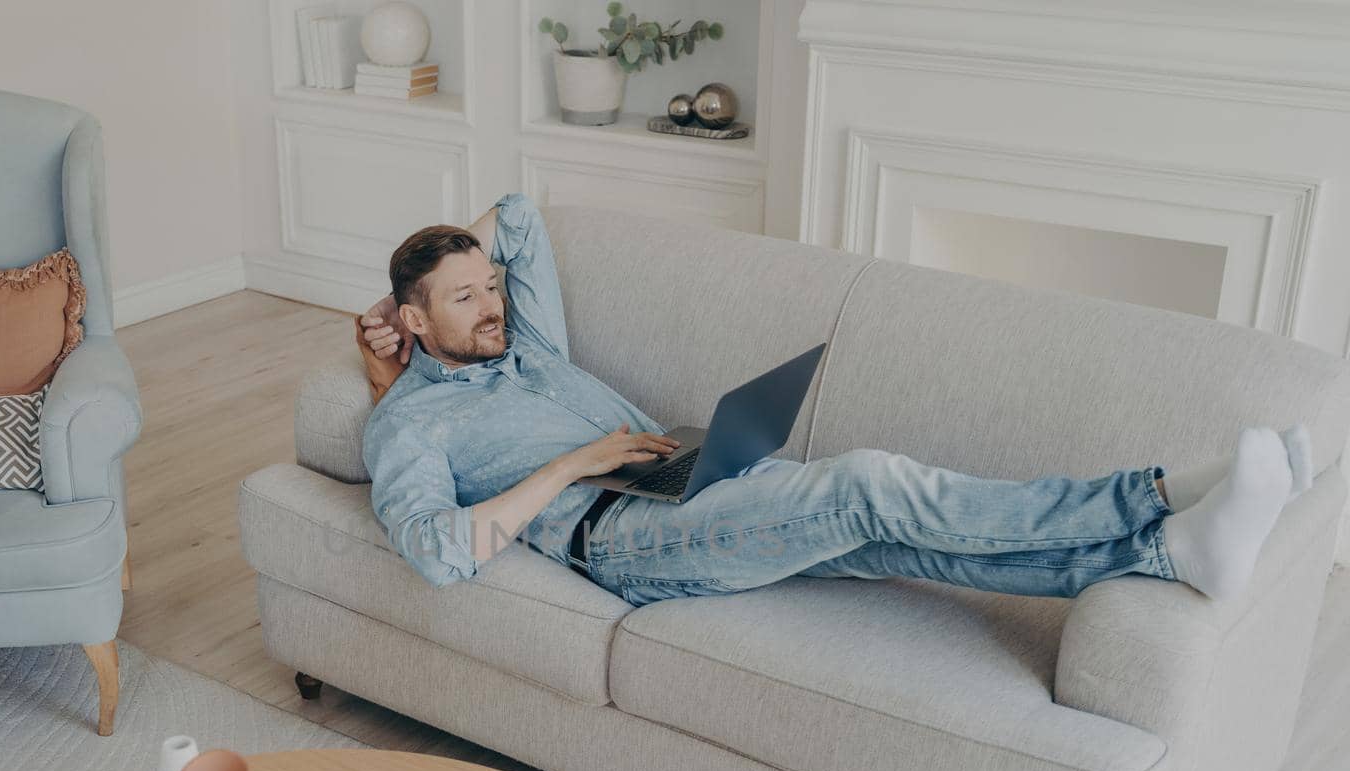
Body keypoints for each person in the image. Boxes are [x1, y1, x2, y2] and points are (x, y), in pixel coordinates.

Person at [355, 193, 1311, 606]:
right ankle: (1147, 500)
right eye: (466, 297)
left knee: (891, 538)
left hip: (678, 483)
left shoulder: (528, 347)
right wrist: (575, 462)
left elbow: (519, 217)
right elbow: (438, 554)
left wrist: (441, 272)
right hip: (616, 534)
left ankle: (1168, 552)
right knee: (865, 484)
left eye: (490, 287)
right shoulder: (412, 422)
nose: (493, 307)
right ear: (416, 315)